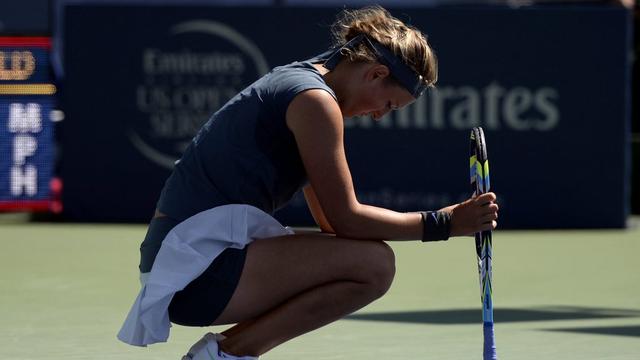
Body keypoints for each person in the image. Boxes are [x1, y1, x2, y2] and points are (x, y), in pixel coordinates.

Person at [117, 5, 499, 360]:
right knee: (374, 265)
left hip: (183, 261)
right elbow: (348, 220)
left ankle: (225, 353)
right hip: (194, 272)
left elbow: (333, 225)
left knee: (370, 261)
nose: (380, 116)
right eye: (389, 105)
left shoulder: (304, 86)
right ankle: (226, 354)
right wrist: (446, 224)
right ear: (376, 74)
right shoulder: (314, 102)